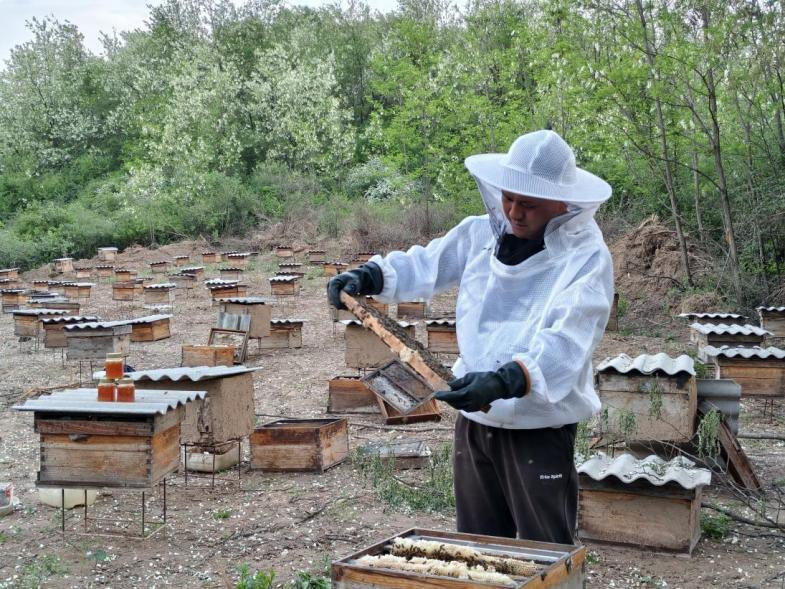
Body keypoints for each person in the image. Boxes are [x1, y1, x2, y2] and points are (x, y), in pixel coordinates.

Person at [327, 130, 613, 544]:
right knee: (477, 550)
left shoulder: (585, 256)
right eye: (508, 198)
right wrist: (370, 275)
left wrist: (505, 380)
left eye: (528, 204)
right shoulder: (481, 233)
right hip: (476, 421)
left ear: (563, 203)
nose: (514, 211)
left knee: (546, 553)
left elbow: (569, 342)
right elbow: (427, 263)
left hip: (538, 428)